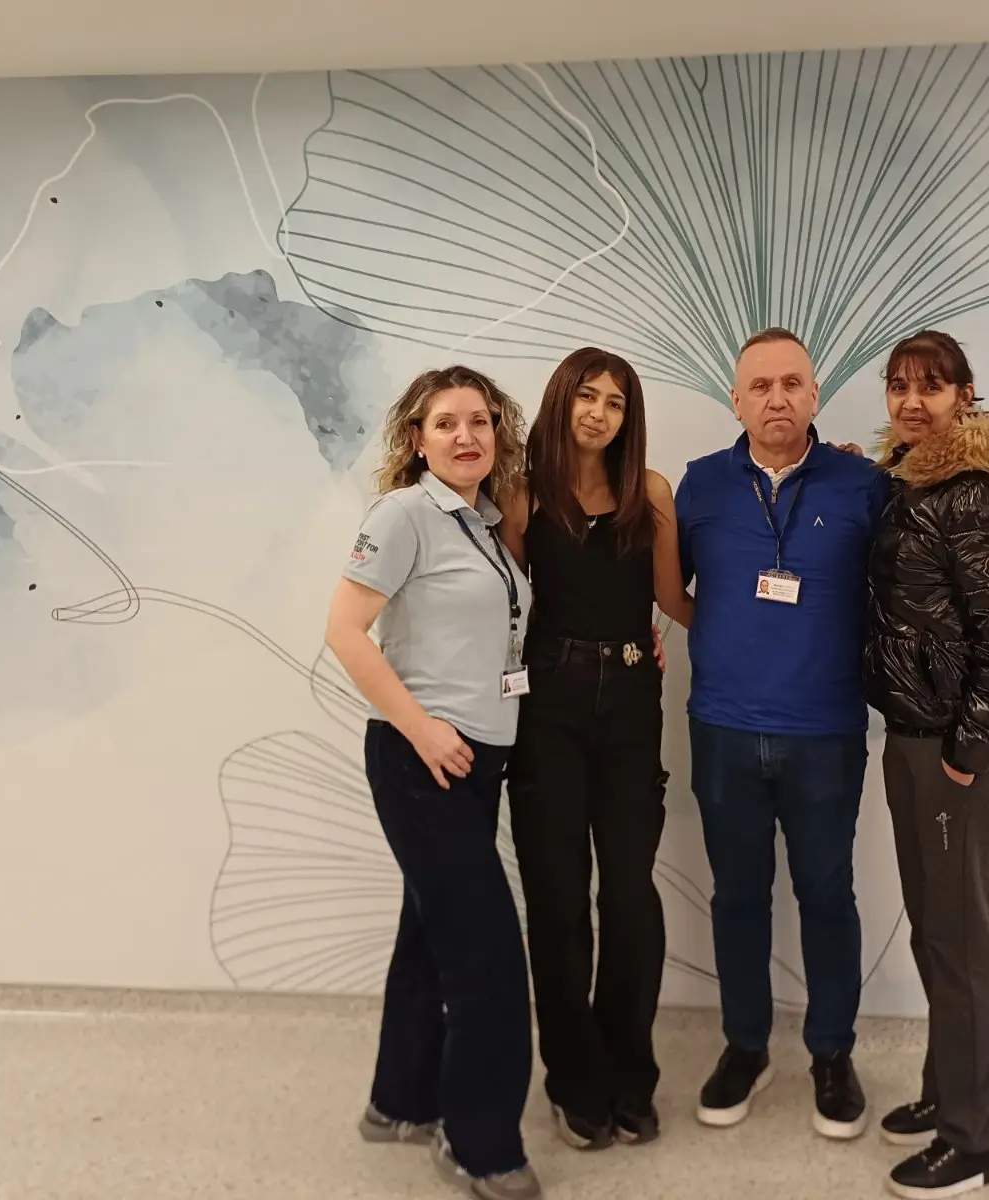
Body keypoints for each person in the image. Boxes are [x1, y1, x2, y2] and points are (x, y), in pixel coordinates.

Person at [324, 366, 542, 1200]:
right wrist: (422, 728)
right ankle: (479, 1145)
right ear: (417, 439)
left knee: (428, 935)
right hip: (422, 760)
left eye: (480, 421)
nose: (465, 436)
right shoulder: (404, 514)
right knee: (489, 960)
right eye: (446, 423)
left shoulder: (480, 522)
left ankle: (400, 1102)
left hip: (475, 760)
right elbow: (345, 632)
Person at [863, 331, 989, 1199]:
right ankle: (948, 1091)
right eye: (900, 386)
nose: (913, 401)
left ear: (966, 395)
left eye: (932, 386)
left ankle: (975, 1143)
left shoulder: (977, 492)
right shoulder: (914, 482)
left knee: (959, 943)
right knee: (935, 933)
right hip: (914, 737)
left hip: (956, 754)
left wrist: (964, 758)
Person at [674, 327, 892, 1140]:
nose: (777, 398)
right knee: (738, 897)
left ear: (815, 395)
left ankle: (831, 1054)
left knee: (827, 896)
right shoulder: (699, 485)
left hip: (825, 732)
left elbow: (897, 598)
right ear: (736, 400)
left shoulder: (863, 485)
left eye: (792, 383)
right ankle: (745, 1046)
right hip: (723, 729)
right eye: (760, 386)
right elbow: (668, 588)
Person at [498, 347, 694, 1152]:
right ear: (562, 400)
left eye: (615, 402)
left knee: (628, 894)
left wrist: (774, 609)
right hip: (547, 702)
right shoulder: (523, 495)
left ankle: (629, 1077)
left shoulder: (652, 492)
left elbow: (673, 599)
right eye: (587, 396)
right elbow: (504, 611)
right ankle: (574, 1081)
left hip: (632, 702)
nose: (599, 413)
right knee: (557, 898)